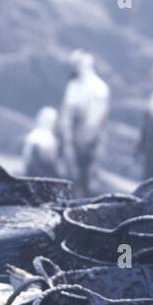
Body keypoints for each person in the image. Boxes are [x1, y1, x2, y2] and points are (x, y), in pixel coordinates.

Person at [57, 50, 109, 196]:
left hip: (83, 142)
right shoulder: (96, 87)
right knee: (80, 182)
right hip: (86, 142)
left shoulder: (83, 87)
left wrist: (68, 143)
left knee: (80, 182)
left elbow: (68, 118)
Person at [21, 107, 60, 178]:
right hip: (43, 176)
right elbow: (51, 162)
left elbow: (26, 162)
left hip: (31, 176)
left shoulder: (32, 135)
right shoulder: (49, 138)